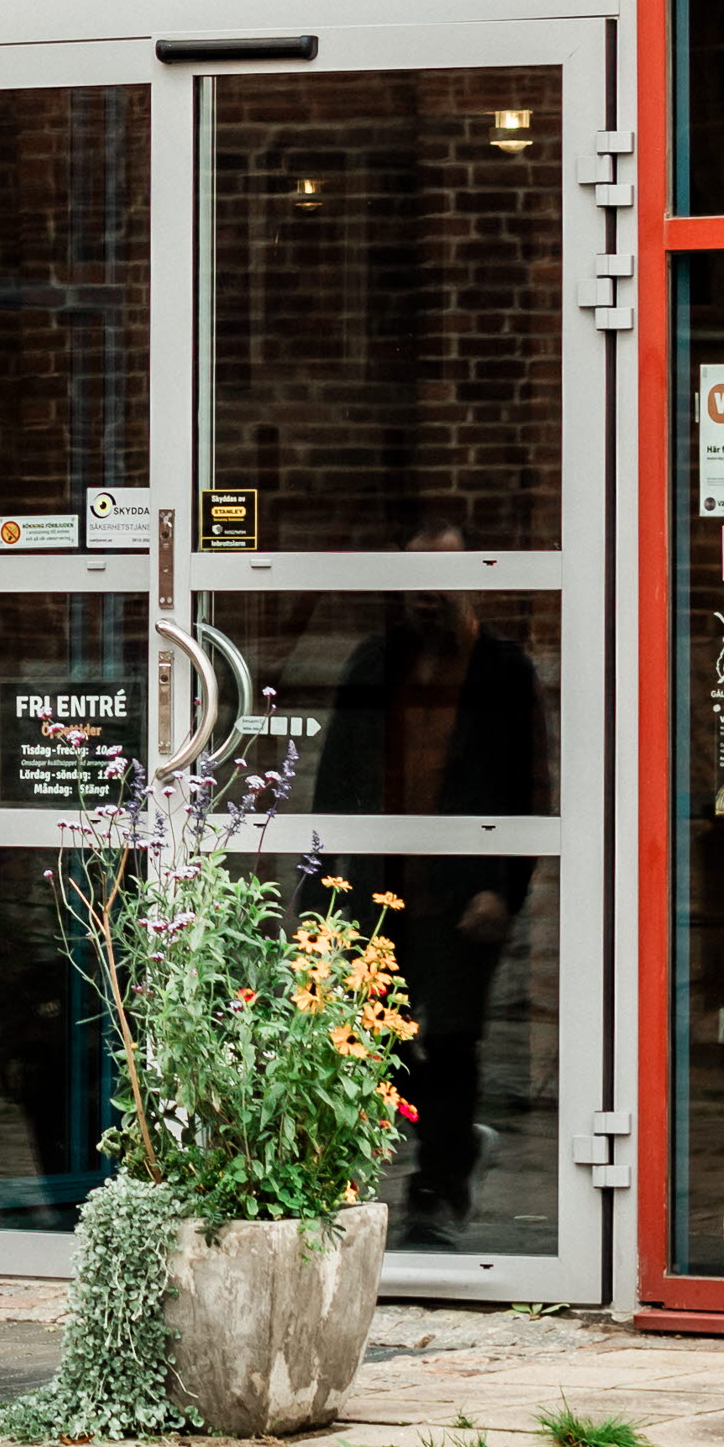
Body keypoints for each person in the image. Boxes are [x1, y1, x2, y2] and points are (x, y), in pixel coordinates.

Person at [312, 518, 547, 1244]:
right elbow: (333, 783)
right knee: (364, 1039)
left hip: (459, 895)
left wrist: (500, 890)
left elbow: (528, 786)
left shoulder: (504, 670)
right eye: (411, 581)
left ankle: (436, 1193)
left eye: (438, 580)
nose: (424, 595)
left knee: (448, 1043)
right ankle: (453, 1145)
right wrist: (315, 888)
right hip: (373, 893)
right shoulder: (370, 663)